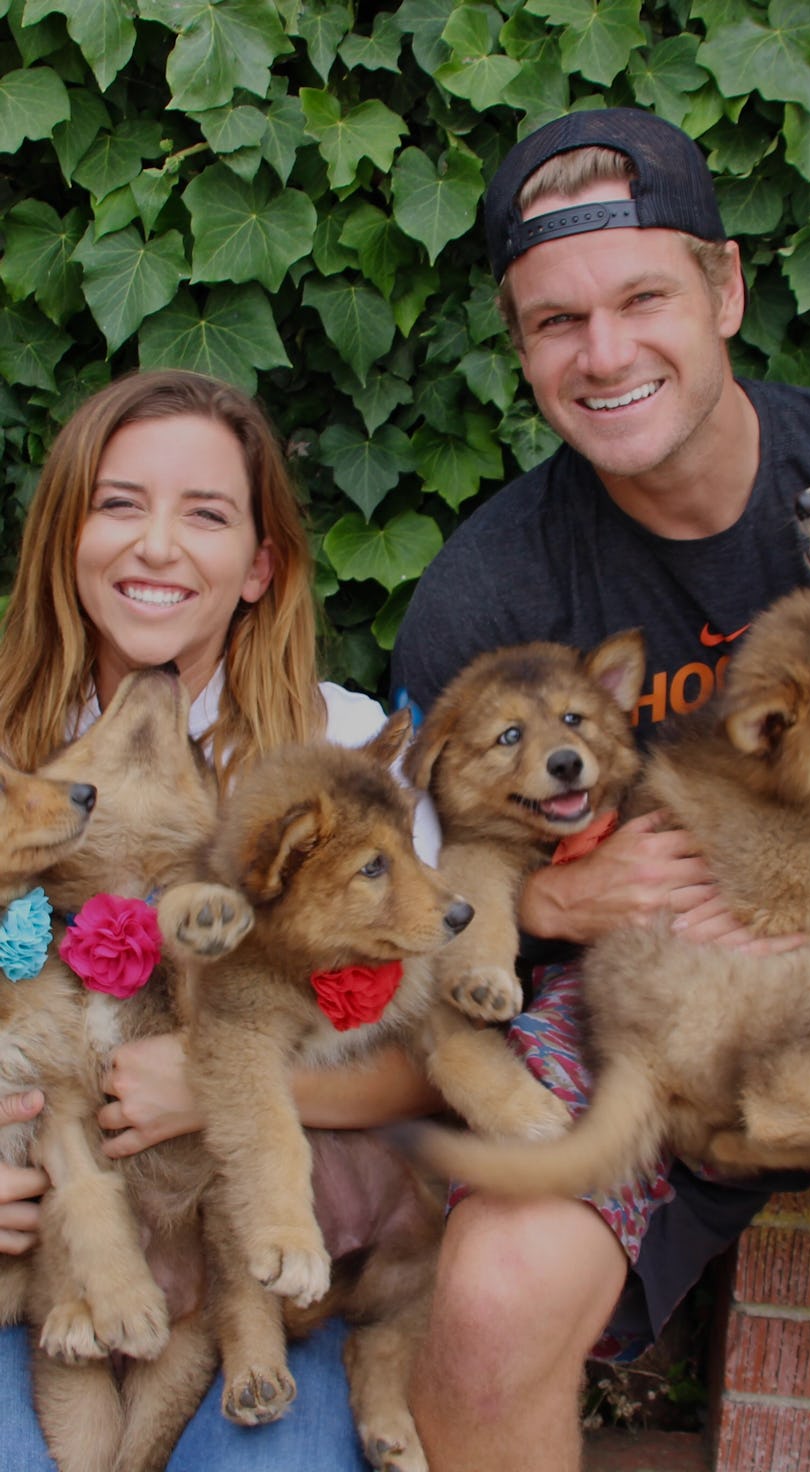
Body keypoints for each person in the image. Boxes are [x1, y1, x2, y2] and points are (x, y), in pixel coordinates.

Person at [391, 107, 810, 1472]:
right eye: (556, 321)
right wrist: (564, 894)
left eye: (644, 296)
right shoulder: (487, 595)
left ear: (728, 288)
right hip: (652, 1025)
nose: (606, 353)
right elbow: (409, 908)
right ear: (521, 350)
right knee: (484, 1318)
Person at [0, 368, 440, 1470]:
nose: (156, 545)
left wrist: (234, 1084)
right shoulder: (11, 746)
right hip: (40, 1258)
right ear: (64, 535)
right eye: (118, 503)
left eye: (204, 514)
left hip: (243, 1251)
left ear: (260, 566)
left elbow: (421, 1062)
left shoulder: (341, 752)